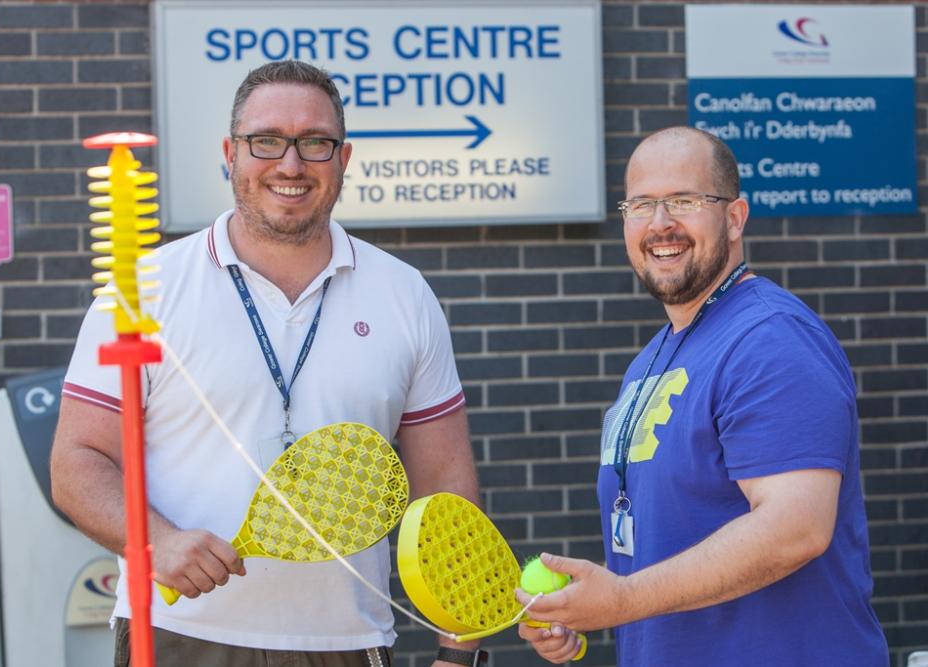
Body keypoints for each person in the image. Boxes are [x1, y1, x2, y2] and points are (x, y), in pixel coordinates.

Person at [51, 60, 484, 667]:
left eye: (315, 143)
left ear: (344, 158)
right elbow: (77, 462)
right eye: (266, 141)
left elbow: (446, 491)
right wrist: (156, 542)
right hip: (179, 636)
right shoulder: (142, 289)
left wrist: (459, 652)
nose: (290, 164)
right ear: (230, 153)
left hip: (346, 643)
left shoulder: (404, 294)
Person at [517, 126, 889, 666]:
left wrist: (624, 599)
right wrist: (586, 608)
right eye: (641, 204)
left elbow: (797, 527)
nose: (660, 223)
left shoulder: (771, 339)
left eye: (685, 201)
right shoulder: (652, 359)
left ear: (735, 218)